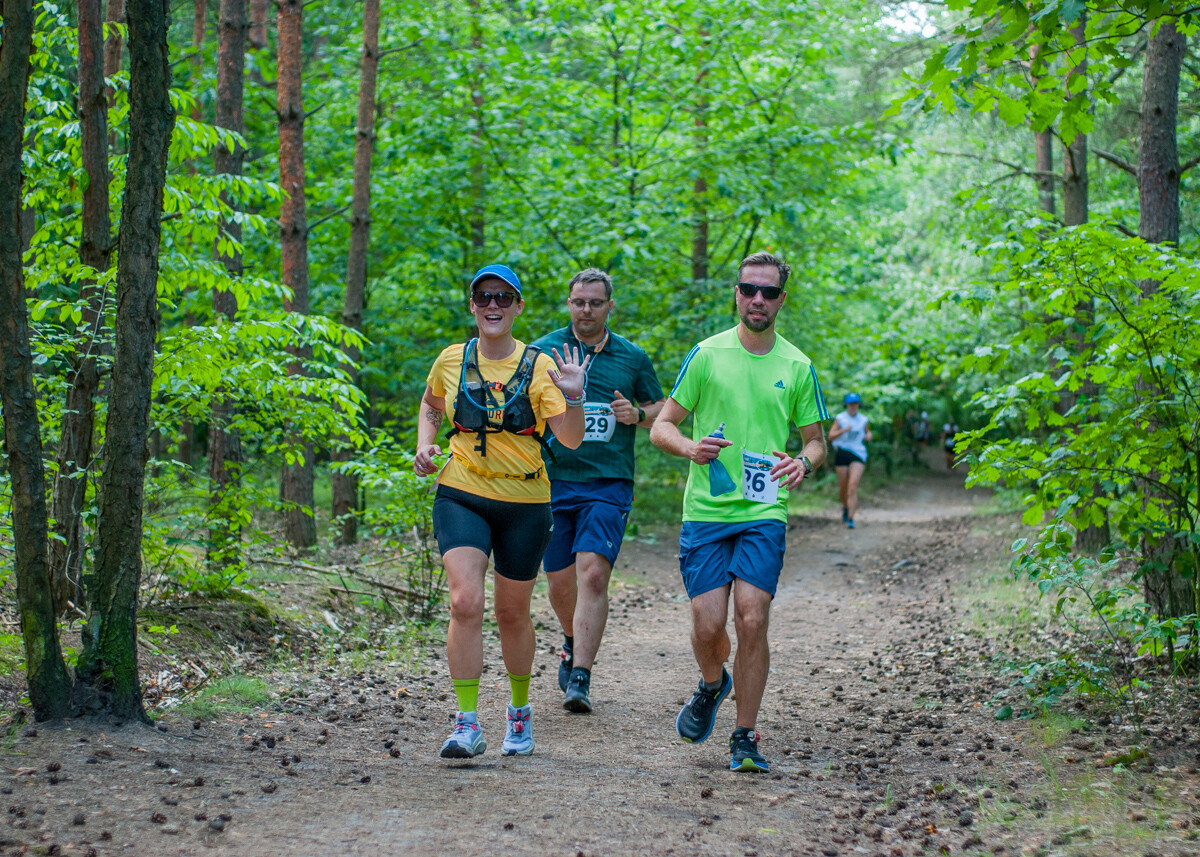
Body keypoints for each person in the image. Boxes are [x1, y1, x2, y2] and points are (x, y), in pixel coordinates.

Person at [650, 251, 828, 773]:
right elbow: (663, 425)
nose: (758, 300)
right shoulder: (706, 355)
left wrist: (802, 463)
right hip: (706, 512)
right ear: (736, 293)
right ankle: (713, 684)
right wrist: (689, 448)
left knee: (752, 618)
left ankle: (744, 735)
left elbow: (816, 441)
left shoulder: (797, 365)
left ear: (781, 300)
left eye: (768, 293)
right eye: (750, 289)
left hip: (763, 510)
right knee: (708, 627)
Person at [414, 263, 589, 760]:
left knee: (512, 612)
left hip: (525, 502)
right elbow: (431, 405)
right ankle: (466, 722)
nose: (493, 306)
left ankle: (519, 711)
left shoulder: (539, 367)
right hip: (461, 492)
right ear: (472, 304)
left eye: (504, 298)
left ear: (518, 307)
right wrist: (426, 445)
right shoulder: (451, 358)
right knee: (465, 601)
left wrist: (574, 393)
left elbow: (571, 439)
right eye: (484, 297)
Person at [533, 268, 665, 714]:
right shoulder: (543, 352)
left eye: (594, 302)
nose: (586, 309)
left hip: (608, 479)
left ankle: (582, 676)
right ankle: (572, 639)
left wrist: (637, 415)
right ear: (568, 304)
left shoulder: (632, 357)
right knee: (559, 579)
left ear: (610, 306)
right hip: (551, 480)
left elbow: (663, 408)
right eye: (578, 302)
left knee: (593, 573)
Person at [828, 393, 871, 529]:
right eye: (851, 404)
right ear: (846, 405)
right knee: (843, 487)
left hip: (858, 454)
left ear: (858, 405)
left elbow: (867, 432)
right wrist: (844, 430)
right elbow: (830, 436)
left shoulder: (863, 420)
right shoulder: (840, 418)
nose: (853, 407)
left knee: (852, 486)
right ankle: (845, 507)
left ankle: (851, 518)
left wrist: (869, 435)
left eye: (856, 404)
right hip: (842, 452)